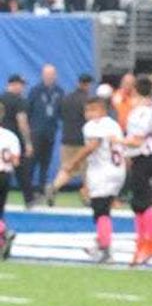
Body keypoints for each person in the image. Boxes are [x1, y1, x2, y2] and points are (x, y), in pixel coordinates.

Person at [52, 97, 124, 263]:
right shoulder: (114, 124)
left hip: (103, 171)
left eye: (91, 110)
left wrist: (73, 162)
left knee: (100, 211)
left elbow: (92, 146)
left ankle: (105, 249)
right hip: (117, 170)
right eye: (87, 111)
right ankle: (100, 243)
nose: (88, 114)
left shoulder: (95, 126)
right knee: (104, 209)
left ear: (101, 110)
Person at [123, 75, 152, 266]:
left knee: (142, 202)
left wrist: (117, 141)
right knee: (141, 201)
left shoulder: (140, 112)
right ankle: (149, 241)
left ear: (134, 89)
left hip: (141, 157)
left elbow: (137, 139)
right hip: (149, 156)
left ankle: (146, 243)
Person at [27, 64, 64, 204]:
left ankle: (41, 189)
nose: (49, 77)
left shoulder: (59, 92)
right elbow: (28, 110)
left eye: (52, 75)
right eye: (47, 75)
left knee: (45, 162)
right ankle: (29, 190)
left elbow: (61, 111)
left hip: (50, 132)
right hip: (36, 131)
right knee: (32, 161)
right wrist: (30, 129)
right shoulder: (35, 91)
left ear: (55, 76)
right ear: (42, 75)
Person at [0, 75, 33, 207]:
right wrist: (28, 142)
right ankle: (29, 199)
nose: (22, 88)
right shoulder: (19, 101)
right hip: (13, 140)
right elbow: (22, 122)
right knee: (22, 171)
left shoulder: (1, 98)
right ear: (15, 84)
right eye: (21, 85)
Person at [58, 73, 92, 196]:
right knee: (86, 172)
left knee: (66, 168)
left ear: (78, 82)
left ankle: (54, 187)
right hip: (82, 141)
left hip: (66, 138)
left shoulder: (66, 98)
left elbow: (60, 115)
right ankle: (87, 197)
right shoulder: (87, 101)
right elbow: (89, 119)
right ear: (88, 84)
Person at [0, 102, 19, 258]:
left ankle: (5, 233)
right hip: (6, 175)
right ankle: (2, 243)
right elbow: (16, 161)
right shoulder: (10, 135)